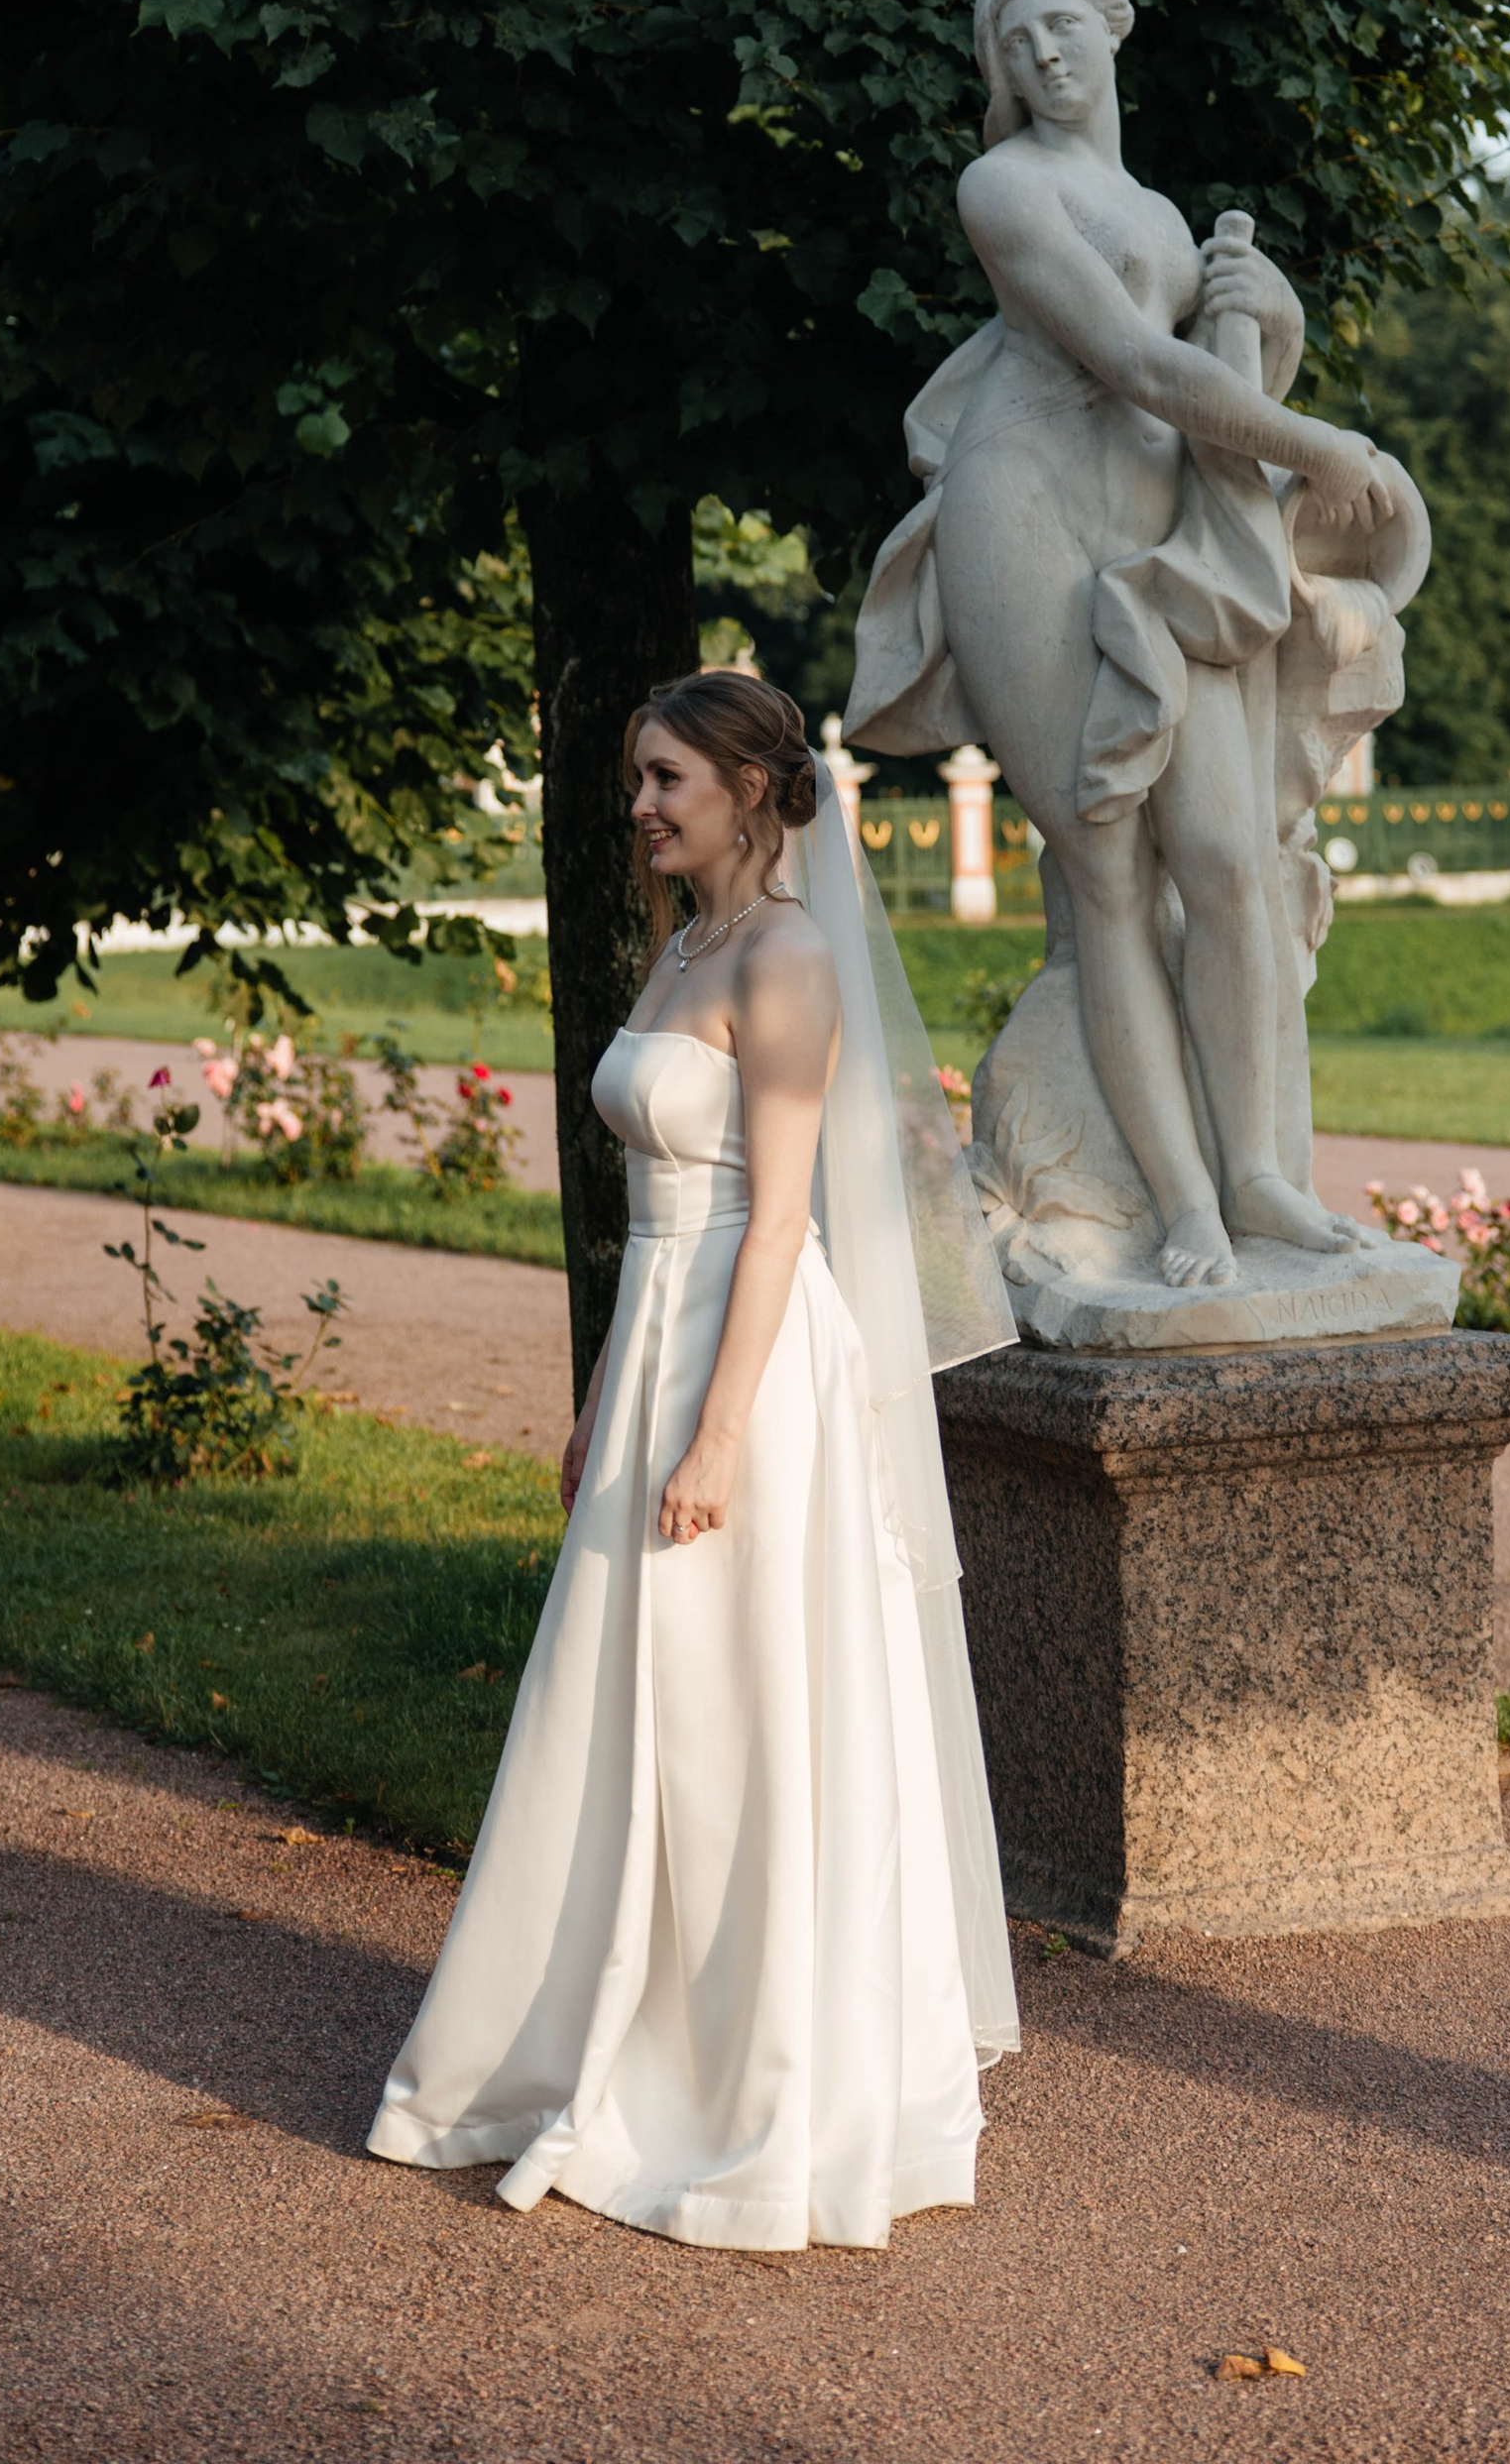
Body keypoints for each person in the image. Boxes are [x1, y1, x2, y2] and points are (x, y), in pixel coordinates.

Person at [366, 671, 1019, 2251]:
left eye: (666, 778)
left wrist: (721, 1429)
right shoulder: (686, 948)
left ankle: (752, 2076)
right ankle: (597, 2033)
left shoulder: (787, 958)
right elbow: (651, 1220)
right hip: (661, 1342)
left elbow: (779, 1219)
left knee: (738, 1708)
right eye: (637, 778)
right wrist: (609, 1392)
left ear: (748, 785)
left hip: (753, 1361)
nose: (641, 804)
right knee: (616, 1700)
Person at [846, 0, 1428, 1291]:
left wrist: (1265, 327)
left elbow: (1201, 374)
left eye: (1060, 27)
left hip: (1163, 540)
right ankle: (1185, 1209)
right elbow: (1127, 360)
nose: (1044, 58)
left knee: (1227, 861)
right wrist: (1320, 435)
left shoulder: (1164, 214)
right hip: (1028, 523)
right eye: (1015, 48)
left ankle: (1263, 1175)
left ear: (1112, 24)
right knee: (1106, 874)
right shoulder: (1001, 184)